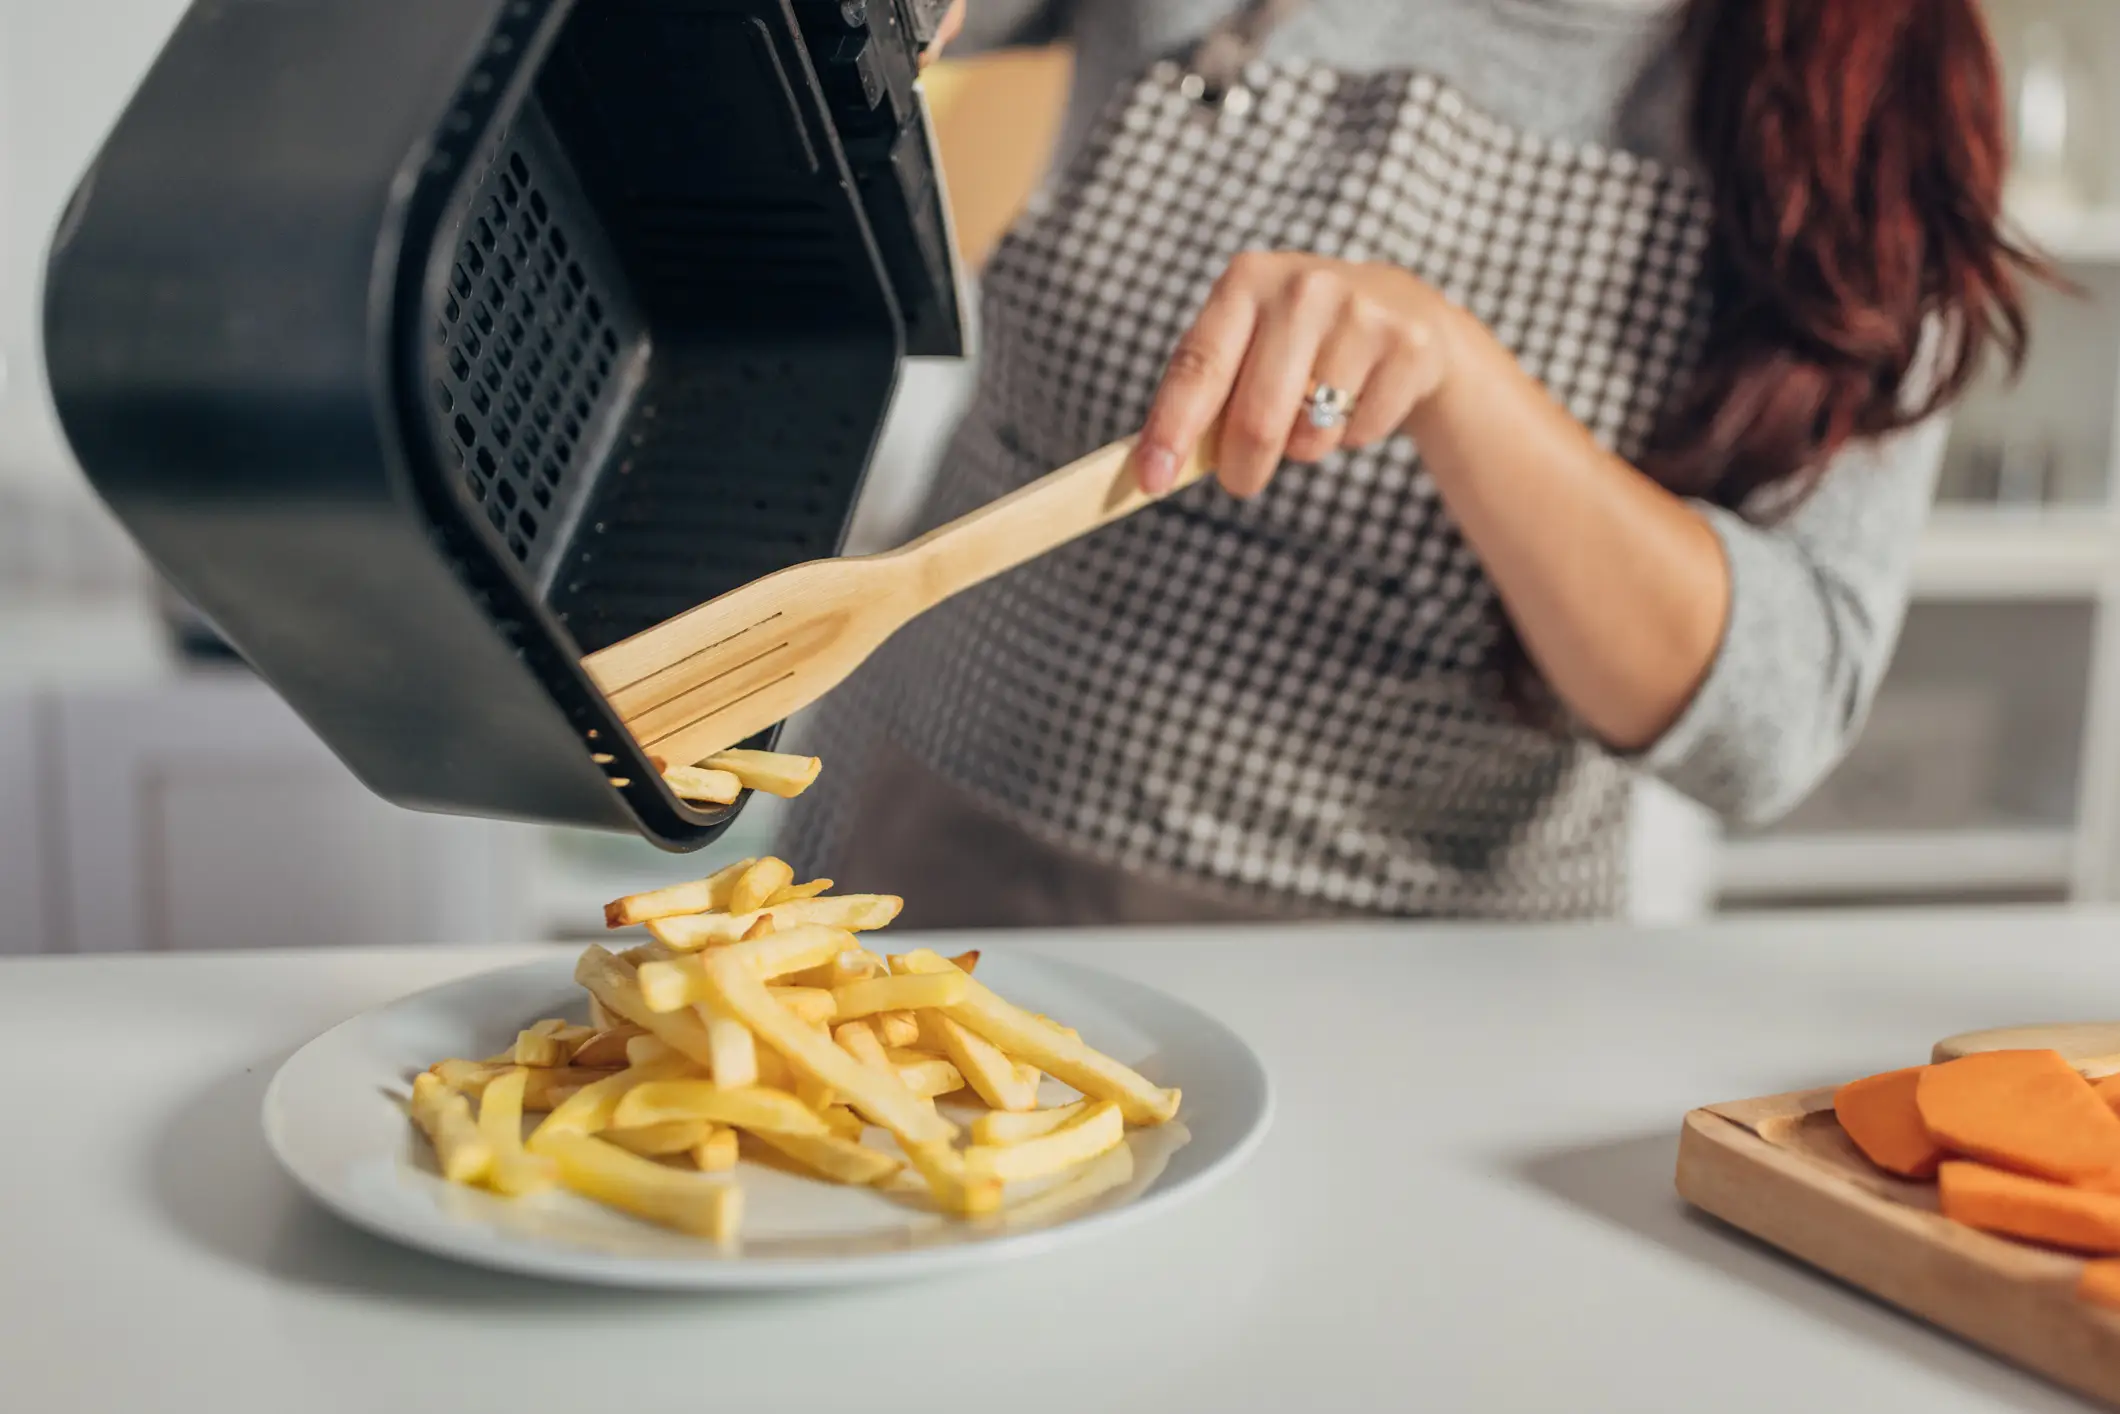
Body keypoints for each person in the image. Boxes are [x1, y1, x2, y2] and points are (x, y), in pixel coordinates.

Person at [781, 0, 2042, 925]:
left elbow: (1771, 726)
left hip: (1410, 978)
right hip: (927, 860)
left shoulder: (1879, 118)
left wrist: (1459, 384)